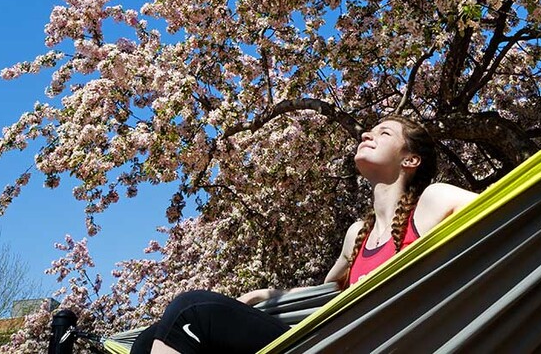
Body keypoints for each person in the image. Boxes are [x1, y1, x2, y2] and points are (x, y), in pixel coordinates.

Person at [130, 115, 478, 354]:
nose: (366, 135)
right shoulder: (358, 234)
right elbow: (323, 297)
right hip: (327, 340)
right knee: (152, 336)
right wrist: (269, 293)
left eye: (384, 133)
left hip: (371, 344)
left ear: (410, 160)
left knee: (192, 310)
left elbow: (508, 211)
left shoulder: (432, 202)